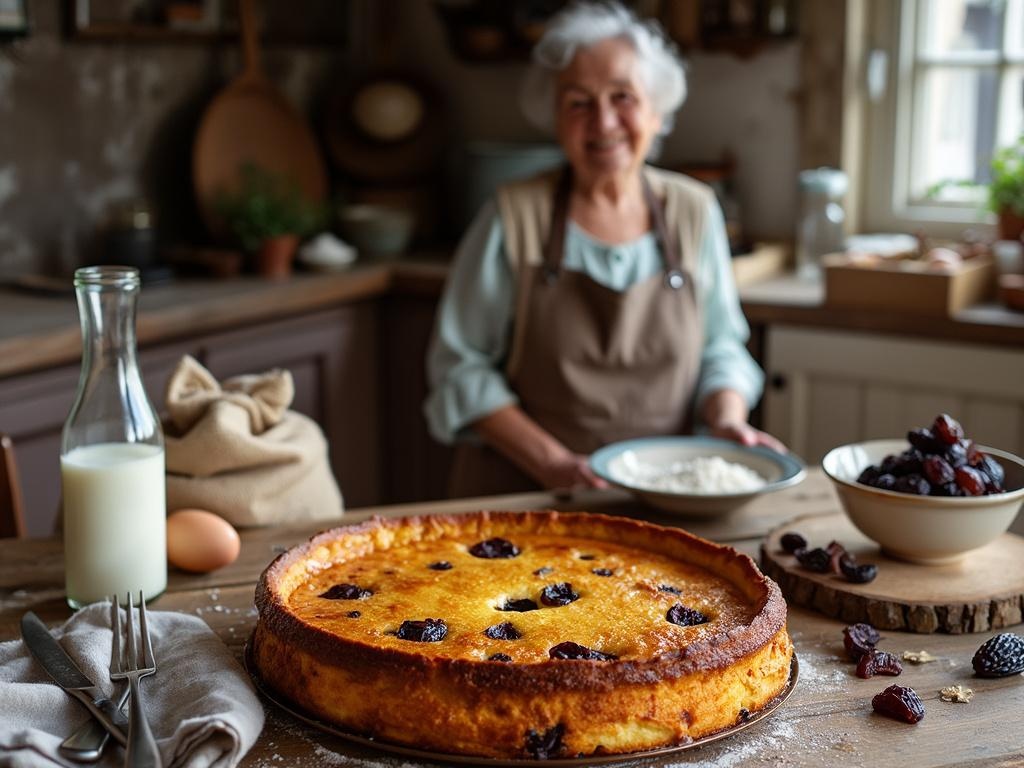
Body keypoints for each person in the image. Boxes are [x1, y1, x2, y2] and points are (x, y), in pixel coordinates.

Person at [424, 1, 784, 498]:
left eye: (623, 97)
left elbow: (721, 348)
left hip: (665, 495)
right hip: (532, 494)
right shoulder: (512, 216)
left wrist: (726, 421)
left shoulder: (694, 211)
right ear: (554, 115)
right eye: (578, 102)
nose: (603, 121)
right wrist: (553, 464)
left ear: (657, 113)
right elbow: (460, 368)